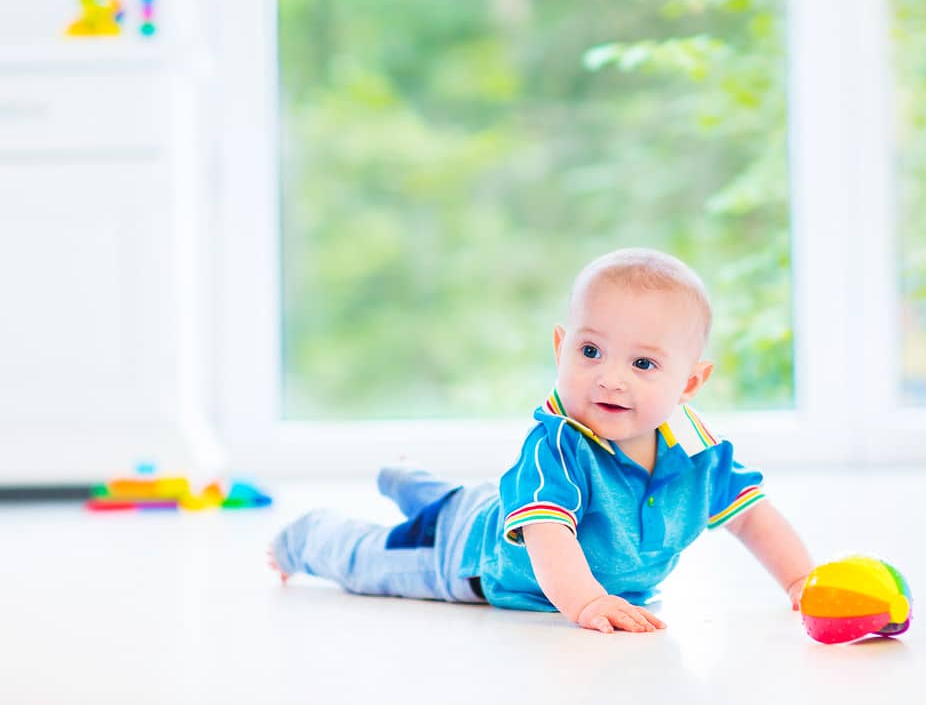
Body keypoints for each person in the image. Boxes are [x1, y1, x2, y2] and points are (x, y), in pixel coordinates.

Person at [269, 248, 814, 634]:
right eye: (591, 352)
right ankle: (308, 536)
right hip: (470, 561)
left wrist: (799, 580)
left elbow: (752, 516)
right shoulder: (557, 445)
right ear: (562, 347)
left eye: (643, 363)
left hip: (488, 506)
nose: (611, 378)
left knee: (455, 501)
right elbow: (549, 532)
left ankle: (409, 478)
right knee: (375, 561)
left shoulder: (701, 457)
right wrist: (588, 602)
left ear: (691, 383)